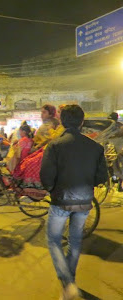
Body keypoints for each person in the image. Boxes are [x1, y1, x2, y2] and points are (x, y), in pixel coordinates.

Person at [40, 105, 108, 300]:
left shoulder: (54, 145)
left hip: (60, 199)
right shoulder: (95, 147)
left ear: (62, 122)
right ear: (82, 122)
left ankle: (67, 282)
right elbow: (101, 176)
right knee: (75, 241)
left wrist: (52, 189)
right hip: (85, 200)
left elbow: (46, 176)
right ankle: (70, 284)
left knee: (54, 240)